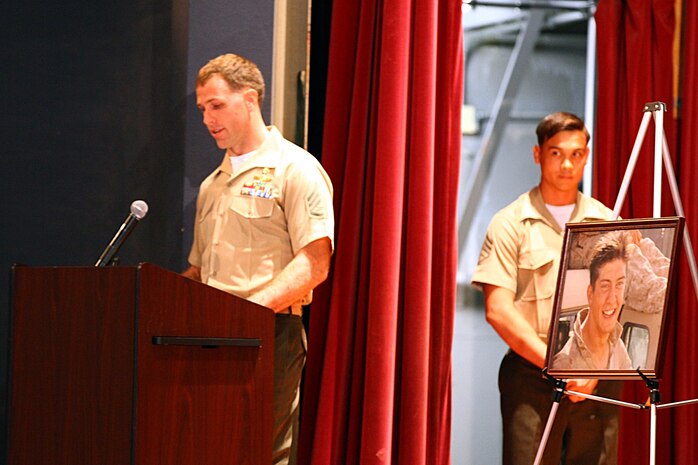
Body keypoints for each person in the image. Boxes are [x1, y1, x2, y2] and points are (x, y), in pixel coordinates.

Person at [182, 53, 335, 465]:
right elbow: (199, 272)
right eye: (202, 109)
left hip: (269, 333)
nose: (207, 119)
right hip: (209, 336)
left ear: (250, 100)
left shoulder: (296, 169)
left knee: (259, 454)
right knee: (209, 449)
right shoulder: (212, 185)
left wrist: (244, 312)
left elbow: (314, 264)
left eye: (216, 105)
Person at [471, 112, 622, 464]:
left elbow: (622, 304)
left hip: (595, 381)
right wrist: (559, 365)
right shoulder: (511, 223)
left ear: (586, 155)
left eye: (576, 154)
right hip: (532, 374)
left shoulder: (608, 222)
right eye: (556, 153)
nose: (567, 164)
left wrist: (590, 372)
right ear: (538, 155)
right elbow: (498, 310)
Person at [553, 232, 633, 371]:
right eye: (605, 286)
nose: (612, 299)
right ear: (590, 294)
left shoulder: (617, 346)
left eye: (619, 284)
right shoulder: (565, 362)